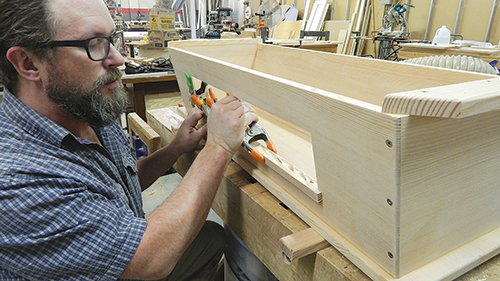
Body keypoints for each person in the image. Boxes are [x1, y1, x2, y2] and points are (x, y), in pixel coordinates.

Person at [0, 0, 258, 280]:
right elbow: (146, 260)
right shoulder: (14, 180)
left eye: (113, 39)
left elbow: (119, 184)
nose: (118, 59)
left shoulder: (86, 108)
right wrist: (218, 147)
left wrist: (174, 150)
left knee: (210, 238)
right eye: (95, 44)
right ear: (28, 63)